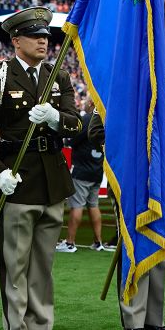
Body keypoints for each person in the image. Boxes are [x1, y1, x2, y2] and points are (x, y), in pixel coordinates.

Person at [0, 6, 81, 330]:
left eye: (47, 37)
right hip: (18, 178)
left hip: (53, 180)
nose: (44, 42)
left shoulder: (57, 76)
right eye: (36, 36)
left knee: (42, 265)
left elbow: (76, 123)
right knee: (15, 266)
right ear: (16, 41)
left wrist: (57, 118)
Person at [92, 77, 165, 330]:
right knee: (133, 249)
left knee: (160, 250)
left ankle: (155, 321)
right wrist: (134, 141)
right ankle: (133, 321)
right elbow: (96, 131)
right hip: (131, 178)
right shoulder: (118, 79)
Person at [61, 98, 105, 253]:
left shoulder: (87, 118)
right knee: (93, 205)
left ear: (92, 103)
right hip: (97, 169)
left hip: (82, 169)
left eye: (87, 100)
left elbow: (72, 140)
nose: (84, 103)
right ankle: (98, 241)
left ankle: (70, 243)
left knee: (76, 205)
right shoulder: (105, 118)